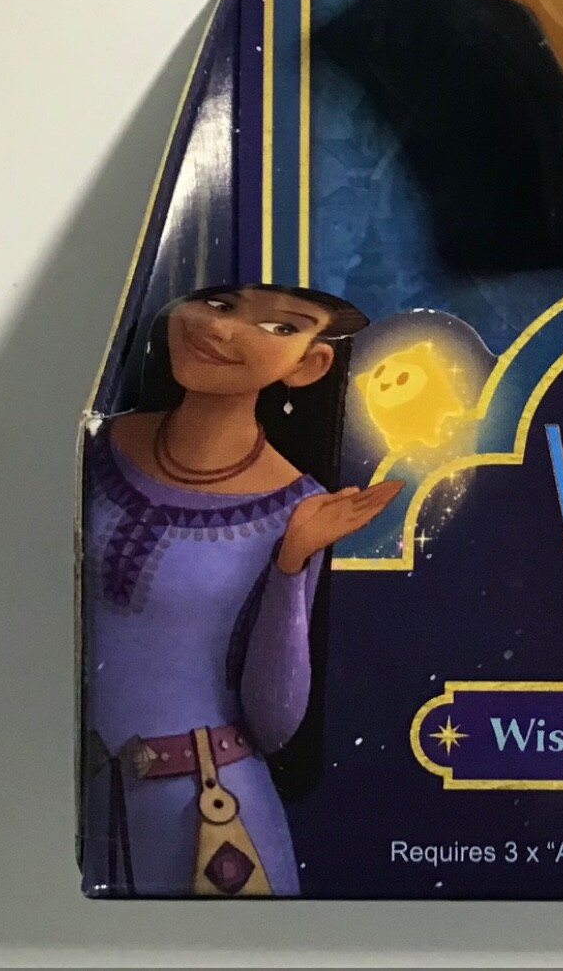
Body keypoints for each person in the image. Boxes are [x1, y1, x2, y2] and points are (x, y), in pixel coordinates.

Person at [80, 284, 401, 896]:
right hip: (75, 803)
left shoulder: (297, 508)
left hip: (207, 815)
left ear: (310, 365)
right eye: (219, 304)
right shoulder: (96, 449)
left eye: (282, 328)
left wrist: (292, 562)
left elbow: (274, 722)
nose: (223, 330)